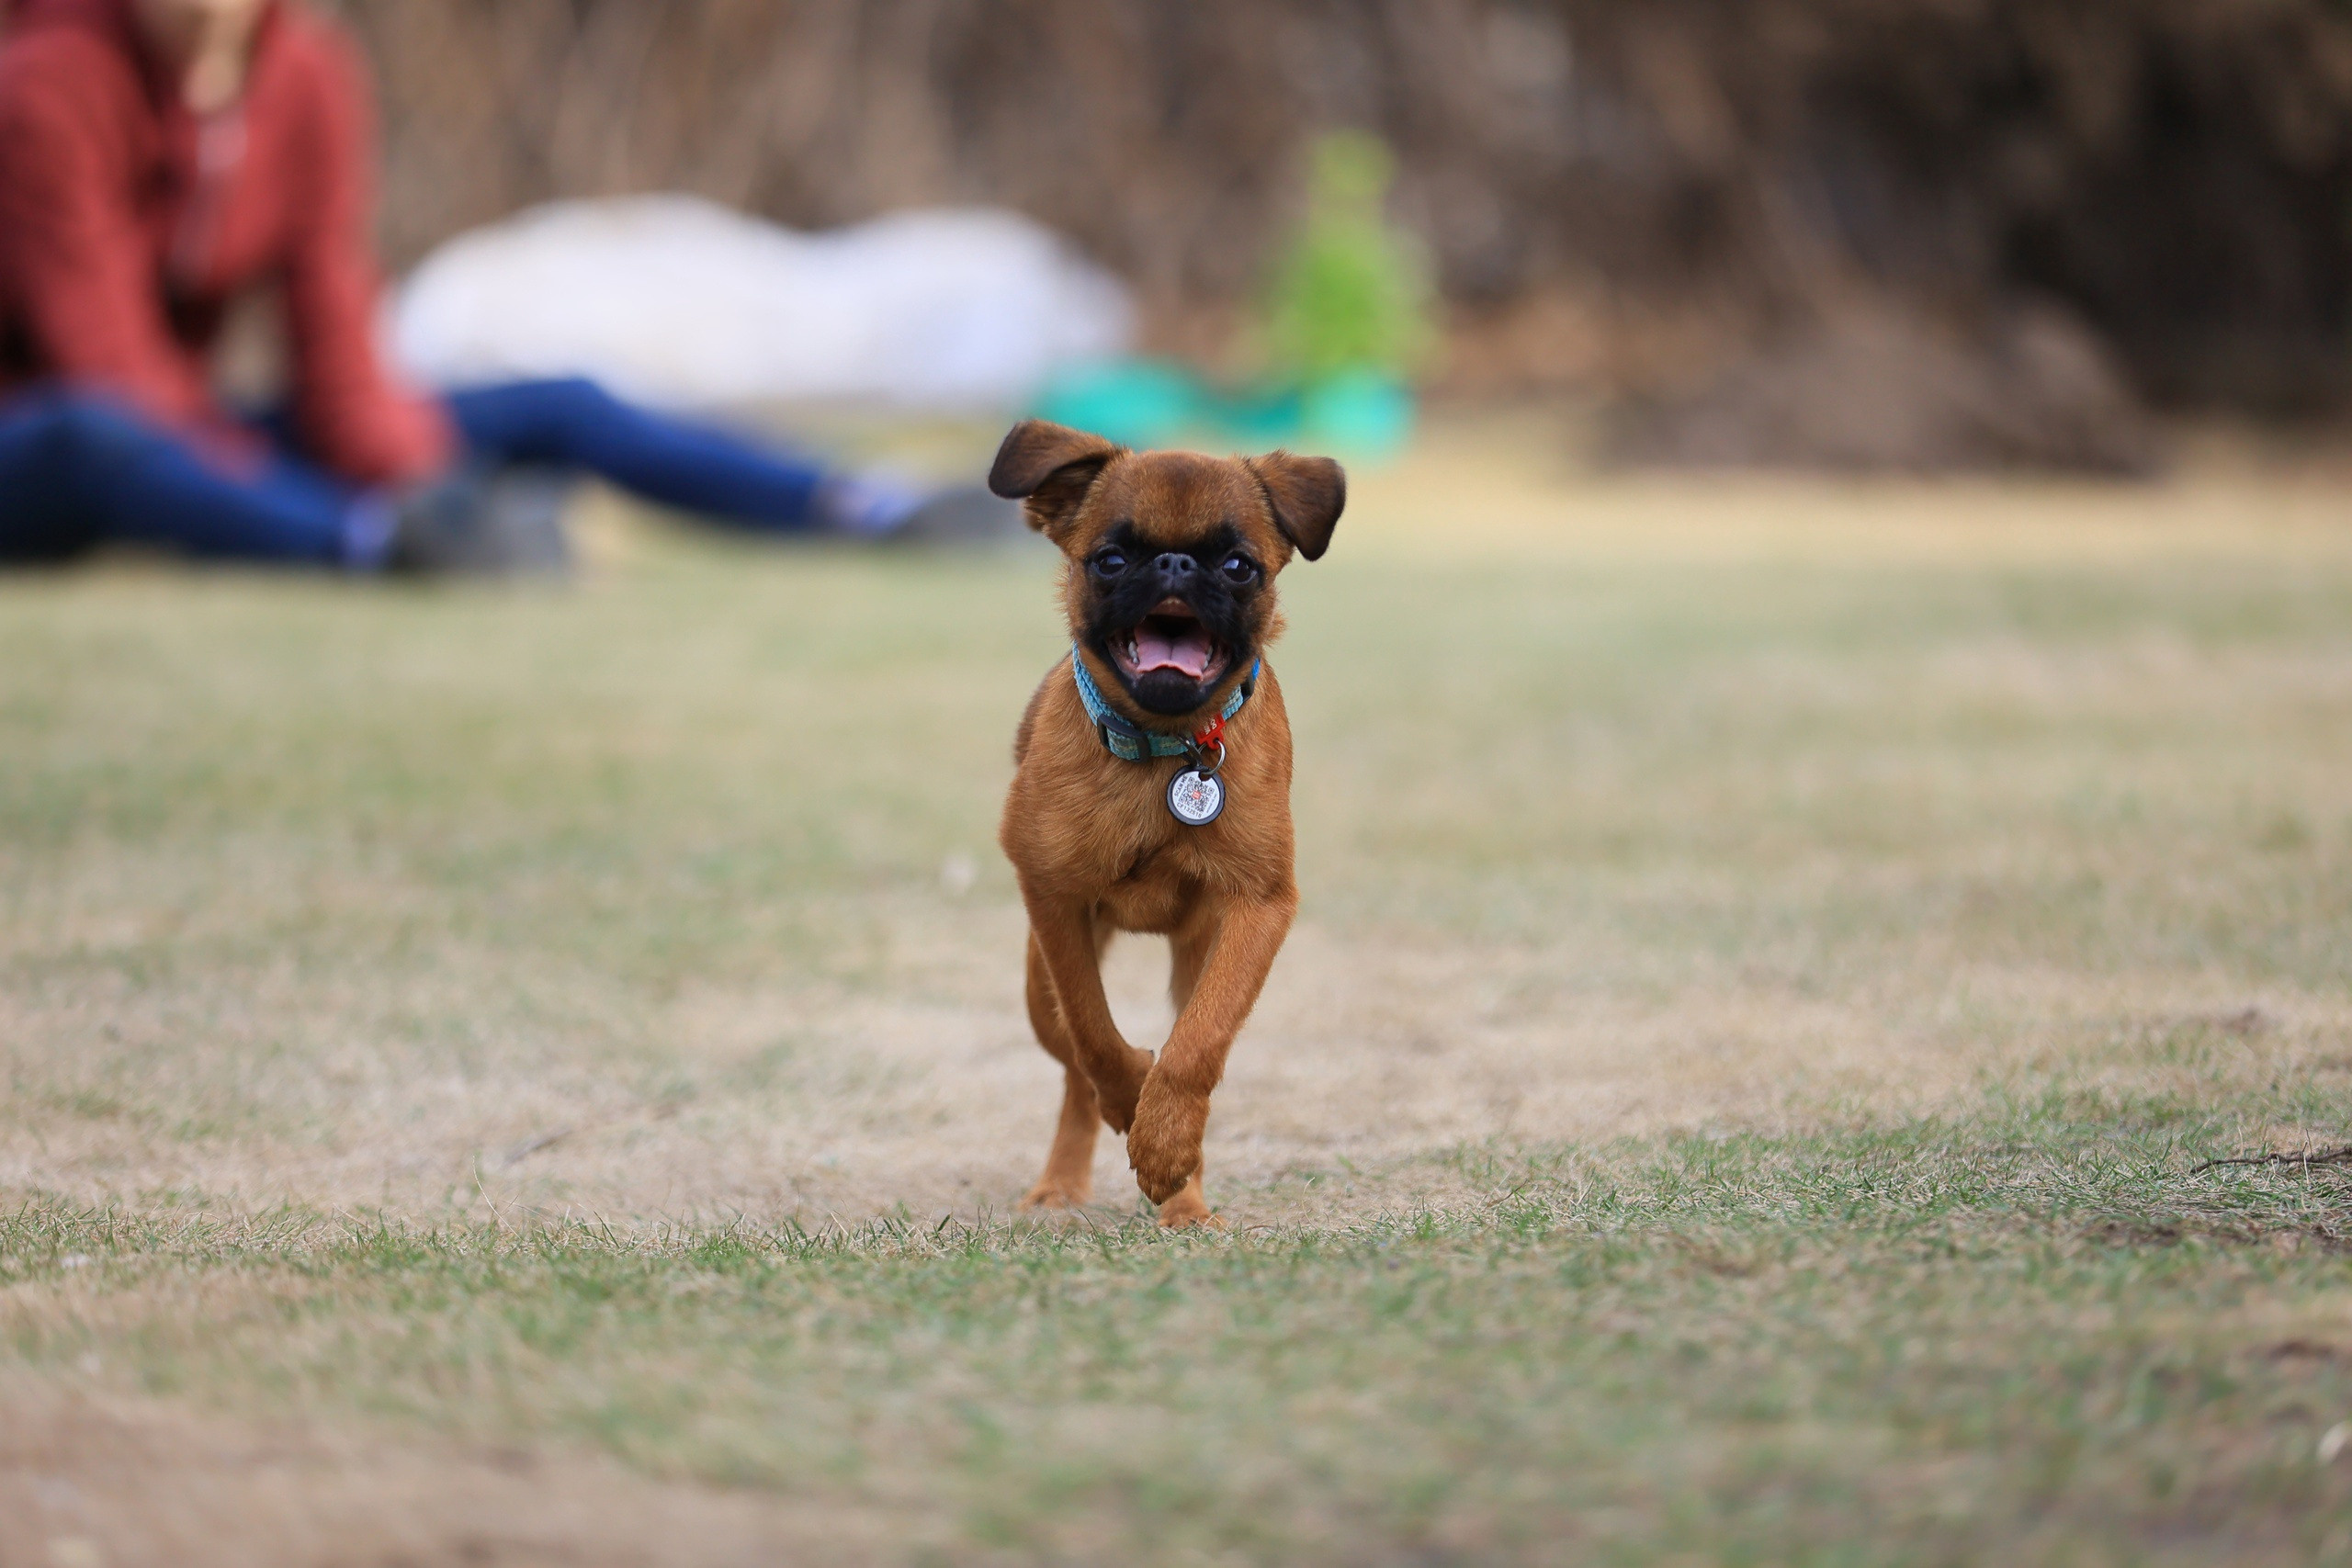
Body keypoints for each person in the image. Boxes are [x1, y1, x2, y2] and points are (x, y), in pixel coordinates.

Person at [0, 0, 1011, 572]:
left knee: (558, 399)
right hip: (49, 443)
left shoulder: (305, 74)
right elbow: (109, 369)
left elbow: (332, 320)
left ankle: (862, 505)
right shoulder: (47, 80)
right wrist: (377, 511)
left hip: (177, 435)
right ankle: (374, 547)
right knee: (100, 431)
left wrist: (424, 479)